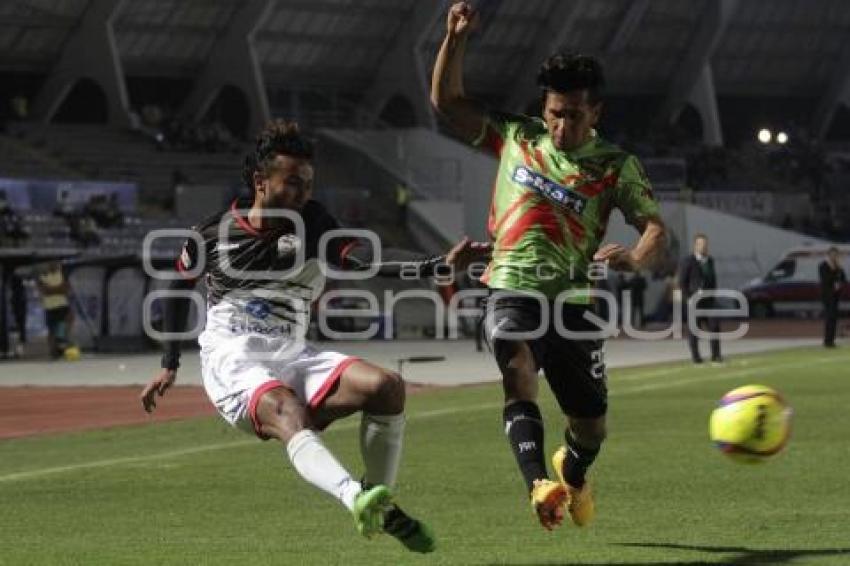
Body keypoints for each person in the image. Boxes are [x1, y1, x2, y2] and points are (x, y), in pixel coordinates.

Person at [140, 120, 487, 552]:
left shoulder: (314, 222)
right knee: (286, 408)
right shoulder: (211, 234)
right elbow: (176, 293)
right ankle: (353, 497)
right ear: (260, 181)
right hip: (233, 357)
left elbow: (362, 256)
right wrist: (169, 365)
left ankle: (380, 504)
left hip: (294, 351)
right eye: (292, 183)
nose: (303, 193)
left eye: (307, 184)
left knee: (386, 388)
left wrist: (433, 265)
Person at [431, 3, 666, 530]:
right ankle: (539, 483)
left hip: (574, 302)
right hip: (510, 286)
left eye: (574, 115)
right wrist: (455, 38)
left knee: (591, 428)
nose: (561, 125)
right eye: (555, 112)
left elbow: (655, 228)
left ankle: (573, 471)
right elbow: (447, 102)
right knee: (518, 375)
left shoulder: (615, 166)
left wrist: (635, 257)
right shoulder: (517, 136)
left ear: (596, 113)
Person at [678, 234, 722, 364]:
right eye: (701, 244)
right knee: (694, 330)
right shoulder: (688, 261)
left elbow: (713, 280)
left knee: (714, 327)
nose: (704, 247)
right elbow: (682, 282)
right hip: (694, 302)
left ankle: (716, 356)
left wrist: (713, 295)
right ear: (696, 246)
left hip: (709, 301)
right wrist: (689, 298)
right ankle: (696, 358)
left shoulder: (710, 260)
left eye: (705, 244)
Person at [36, 262, 77, 359]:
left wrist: (52, 289)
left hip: (62, 305)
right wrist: (58, 289)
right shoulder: (43, 276)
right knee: (52, 330)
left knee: (66, 323)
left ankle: (64, 345)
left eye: (56, 263)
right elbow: (45, 291)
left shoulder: (63, 275)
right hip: (50, 307)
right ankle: (53, 352)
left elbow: (66, 289)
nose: (55, 265)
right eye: (52, 263)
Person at [818, 247, 846, 348]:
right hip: (827, 295)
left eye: (836, 255)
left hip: (835, 295)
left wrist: (839, 269)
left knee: (834, 318)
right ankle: (827, 341)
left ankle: (832, 340)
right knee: (829, 317)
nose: (834, 257)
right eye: (833, 254)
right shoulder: (823, 265)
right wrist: (834, 272)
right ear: (829, 255)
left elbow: (843, 278)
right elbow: (826, 279)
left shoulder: (838, 266)